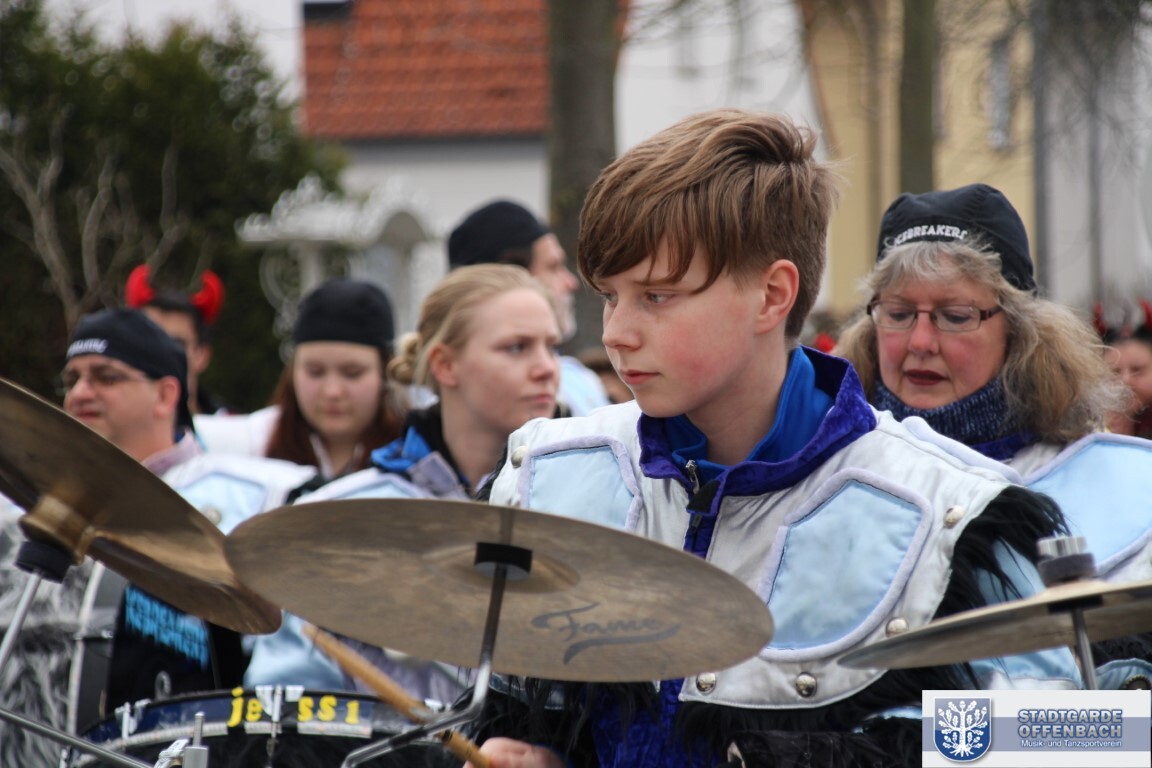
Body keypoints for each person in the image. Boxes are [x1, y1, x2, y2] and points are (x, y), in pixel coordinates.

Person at [466, 110, 1079, 768]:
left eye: (656, 296)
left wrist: (857, 755)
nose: (616, 332)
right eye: (610, 296)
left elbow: (1086, 737)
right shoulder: (549, 474)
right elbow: (494, 715)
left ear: (771, 295)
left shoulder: (955, 514)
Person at [245, 264, 563, 699]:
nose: (547, 368)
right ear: (445, 365)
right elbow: (286, 702)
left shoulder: (589, 503)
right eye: (516, 347)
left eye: (552, 347)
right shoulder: (339, 518)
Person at [835, 185, 1152, 587]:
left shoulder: (1125, 489)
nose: (920, 342)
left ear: (1020, 333)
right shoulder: (833, 483)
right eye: (898, 313)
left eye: (955, 316)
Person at [57, 309, 316, 729]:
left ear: (165, 395)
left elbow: (293, 663)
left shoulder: (261, 495)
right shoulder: (27, 506)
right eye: (72, 380)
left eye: (105, 377)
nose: (80, 393)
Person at [194, 278, 406, 483]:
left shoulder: (414, 454)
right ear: (292, 371)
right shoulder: (248, 444)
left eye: (352, 373)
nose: (332, 391)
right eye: (315, 372)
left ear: (387, 372)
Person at [448, 199, 610, 415]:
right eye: (553, 267)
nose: (571, 283)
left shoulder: (581, 382)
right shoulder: (445, 402)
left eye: (550, 348)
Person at [124, 263, 230, 414]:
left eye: (176, 344)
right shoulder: (105, 424)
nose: (162, 353)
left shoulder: (234, 426)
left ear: (202, 355)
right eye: (150, 340)